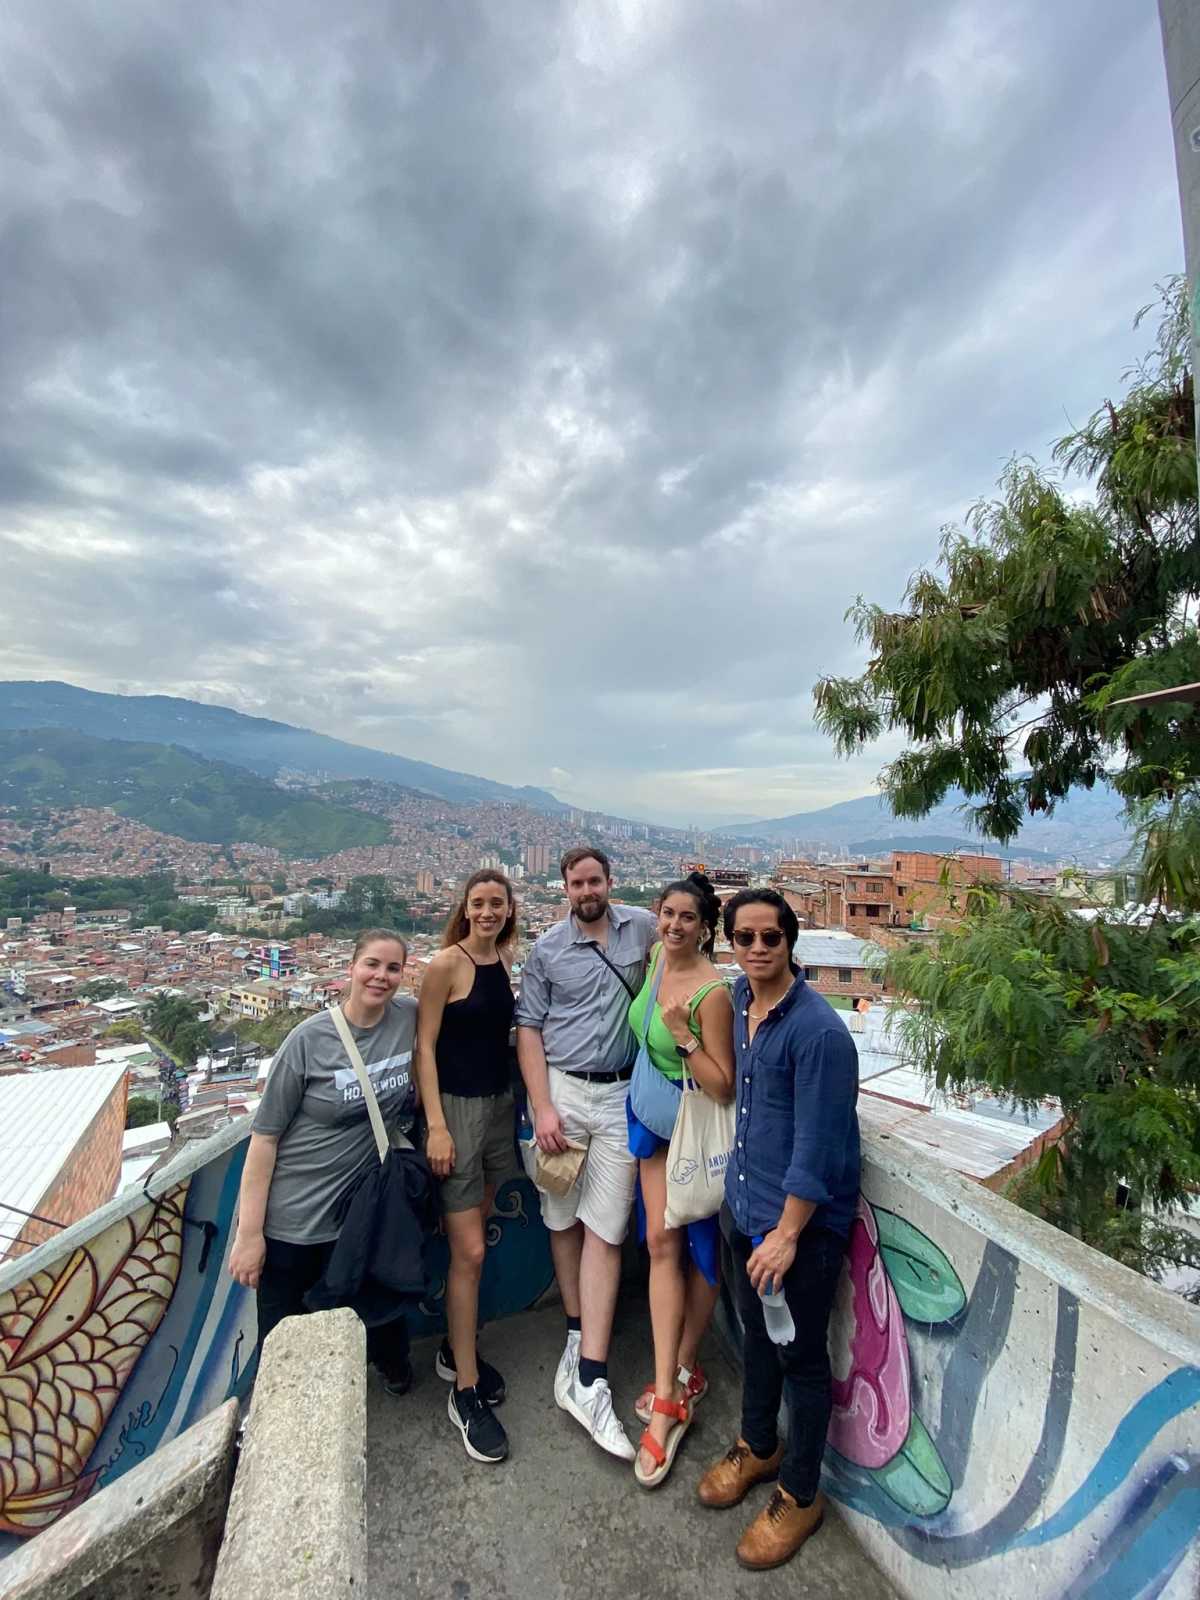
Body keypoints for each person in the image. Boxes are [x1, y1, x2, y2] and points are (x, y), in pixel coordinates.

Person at [696, 889, 859, 1572]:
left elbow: (819, 1146)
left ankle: (800, 1493)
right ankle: (758, 1444)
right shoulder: (739, 1001)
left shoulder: (819, 1032)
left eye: (771, 937)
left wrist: (787, 1235)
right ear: (731, 942)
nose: (758, 948)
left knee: (802, 1359)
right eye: (745, 937)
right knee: (757, 1336)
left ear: (791, 941)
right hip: (746, 1205)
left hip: (798, 1230)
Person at [229, 929, 419, 1394]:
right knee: (286, 1344)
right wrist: (249, 1235)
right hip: (295, 1220)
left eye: (393, 968)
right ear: (351, 969)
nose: (381, 976)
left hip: (360, 1214)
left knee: (374, 1309)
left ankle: (391, 1366)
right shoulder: (308, 1041)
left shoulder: (408, 1017)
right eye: (372, 964)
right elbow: (264, 1140)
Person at [515, 846, 657, 1461]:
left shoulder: (642, 929)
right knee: (561, 1218)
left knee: (607, 1227)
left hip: (622, 1092)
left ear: (609, 882)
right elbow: (528, 1028)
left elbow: (684, 957)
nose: (587, 890)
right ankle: (577, 1330)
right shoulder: (547, 950)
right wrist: (542, 1106)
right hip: (565, 1092)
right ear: (565, 888)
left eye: (595, 880)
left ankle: (591, 1376)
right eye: (577, 883)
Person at [626, 872, 734, 1487]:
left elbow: (723, 1084)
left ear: (704, 927)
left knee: (699, 1252)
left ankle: (680, 1379)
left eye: (687, 918)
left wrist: (685, 1036)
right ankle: (670, 1382)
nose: (673, 925)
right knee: (660, 1244)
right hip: (651, 1121)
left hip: (693, 1137)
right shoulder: (656, 960)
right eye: (667, 913)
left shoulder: (712, 993)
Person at [416, 869, 517, 1465]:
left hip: (498, 1108)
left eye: (496, 903)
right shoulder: (445, 965)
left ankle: (456, 1352)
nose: (487, 912)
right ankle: (464, 1392)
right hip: (456, 1111)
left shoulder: (502, 958)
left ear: (508, 910)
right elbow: (424, 1046)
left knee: (480, 1225)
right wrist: (436, 1125)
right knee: (470, 1252)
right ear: (465, 908)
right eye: (478, 903)